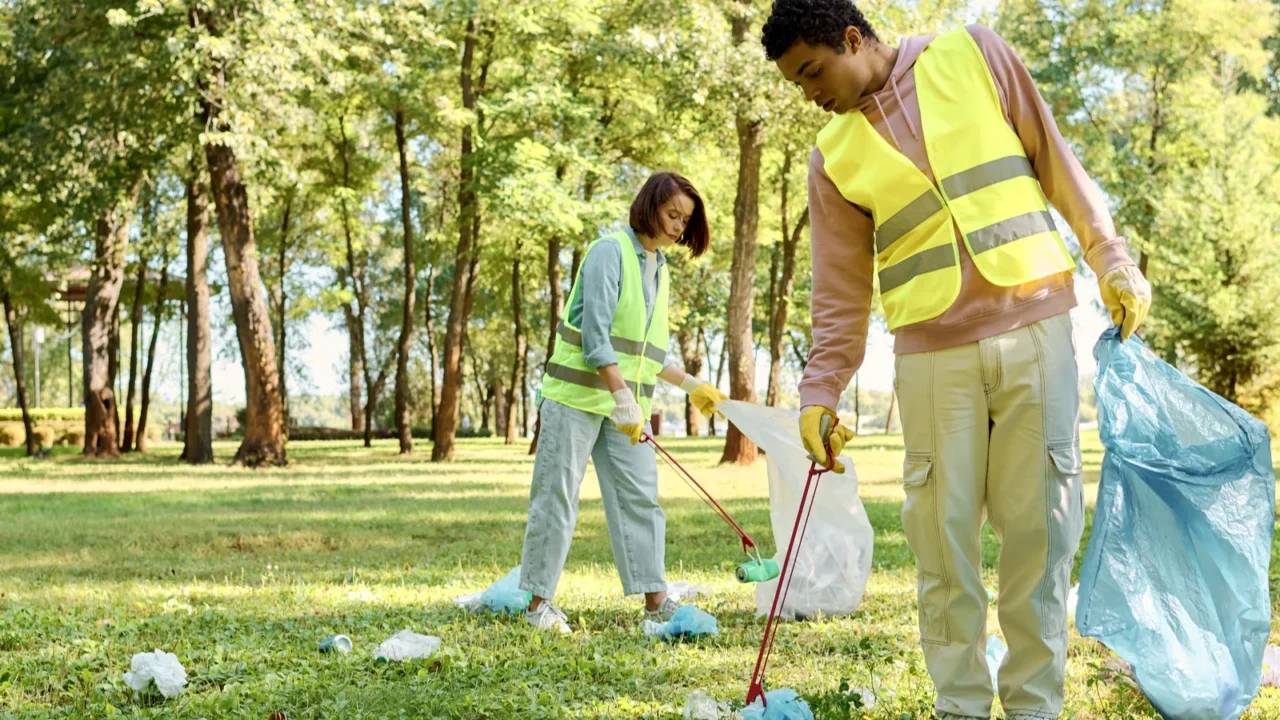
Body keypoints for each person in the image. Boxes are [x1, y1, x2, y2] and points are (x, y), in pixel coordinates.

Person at [759, 3, 1153, 719]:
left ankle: (1035, 707)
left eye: (812, 71)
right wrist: (820, 391)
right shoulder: (833, 157)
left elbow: (1054, 161)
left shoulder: (974, 54)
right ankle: (961, 708)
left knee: (1041, 533)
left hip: (1037, 329)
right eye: (796, 84)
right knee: (944, 549)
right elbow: (839, 291)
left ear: (853, 39)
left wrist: (1111, 257)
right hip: (932, 359)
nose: (809, 93)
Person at [519, 171, 726, 634]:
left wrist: (692, 384)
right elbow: (596, 338)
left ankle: (656, 601)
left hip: (622, 407)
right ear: (650, 205)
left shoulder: (660, 269)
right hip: (576, 397)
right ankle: (537, 605)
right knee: (557, 497)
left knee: (641, 498)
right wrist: (623, 398)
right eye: (673, 214)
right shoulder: (608, 252)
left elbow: (646, 354)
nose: (678, 226)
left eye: (685, 220)